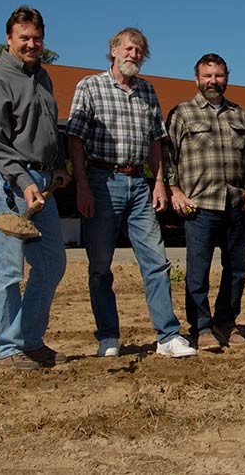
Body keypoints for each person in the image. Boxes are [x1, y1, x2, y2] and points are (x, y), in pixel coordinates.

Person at [66, 27, 196, 358]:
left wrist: (159, 182)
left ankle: (168, 336)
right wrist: (81, 184)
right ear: (113, 50)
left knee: (156, 260)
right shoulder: (90, 86)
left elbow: (156, 140)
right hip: (100, 180)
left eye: (139, 50)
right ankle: (108, 335)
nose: (133, 54)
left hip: (139, 184)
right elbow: (75, 139)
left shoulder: (148, 91)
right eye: (128, 48)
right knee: (100, 265)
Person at [0, 5, 70, 369]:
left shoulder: (42, 77)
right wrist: (23, 179)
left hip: (42, 181)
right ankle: (6, 348)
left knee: (51, 262)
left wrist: (58, 166)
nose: (31, 44)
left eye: (36, 38)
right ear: (8, 39)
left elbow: (50, 129)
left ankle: (30, 340)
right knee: (8, 268)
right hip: (6, 181)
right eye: (24, 38)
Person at [164, 53, 245, 351]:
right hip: (199, 206)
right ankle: (202, 327)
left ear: (226, 78)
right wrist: (174, 191)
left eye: (218, 75)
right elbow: (168, 157)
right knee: (198, 271)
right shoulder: (182, 114)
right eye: (207, 76)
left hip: (233, 204)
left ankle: (226, 323)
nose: (213, 81)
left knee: (237, 269)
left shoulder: (240, 115)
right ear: (196, 79)